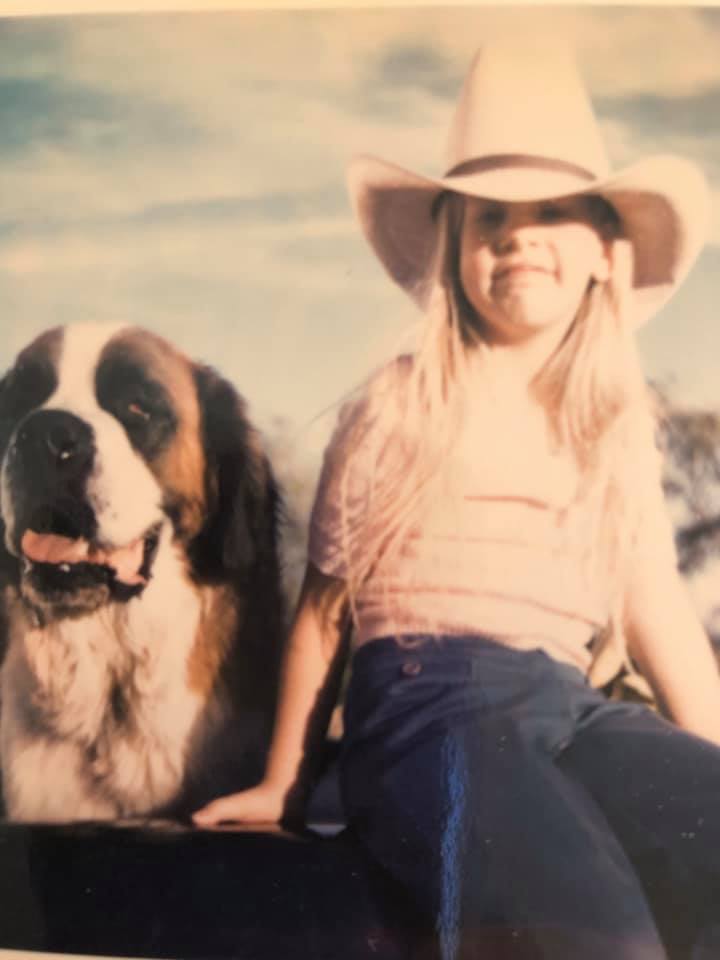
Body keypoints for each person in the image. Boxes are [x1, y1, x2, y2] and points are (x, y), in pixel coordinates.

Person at [194, 46, 720, 959]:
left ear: (604, 251)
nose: (517, 236)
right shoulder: (402, 400)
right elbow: (325, 612)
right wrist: (286, 778)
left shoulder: (612, 422)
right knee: (596, 934)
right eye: (491, 217)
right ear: (453, 243)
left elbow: (658, 611)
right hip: (431, 707)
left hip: (574, 706)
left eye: (550, 210)